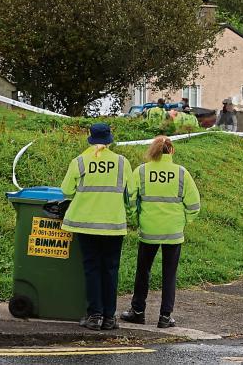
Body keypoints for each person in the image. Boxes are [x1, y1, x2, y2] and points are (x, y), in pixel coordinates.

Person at [60, 123, 136, 331]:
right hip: (113, 226)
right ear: (110, 140)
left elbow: (66, 191)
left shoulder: (80, 162)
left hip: (86, 226)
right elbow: (131, 196)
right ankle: (109, 318)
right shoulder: (122, 162)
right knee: (110, 270)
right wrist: (131, 215)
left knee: (92, 269)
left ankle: (94, 316)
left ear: (90, 139)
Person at [120, 136, 201, 329]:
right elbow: (194, 204)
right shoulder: (182, 173)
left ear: (153, 151)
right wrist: (185, 220)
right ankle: (165, 317)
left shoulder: (141, 171)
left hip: (149, 230)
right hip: (173, 231)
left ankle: (138, 311)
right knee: (169, 274)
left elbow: (129, 198)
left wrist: (135, 216)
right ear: (171, 151)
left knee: (143, 271)